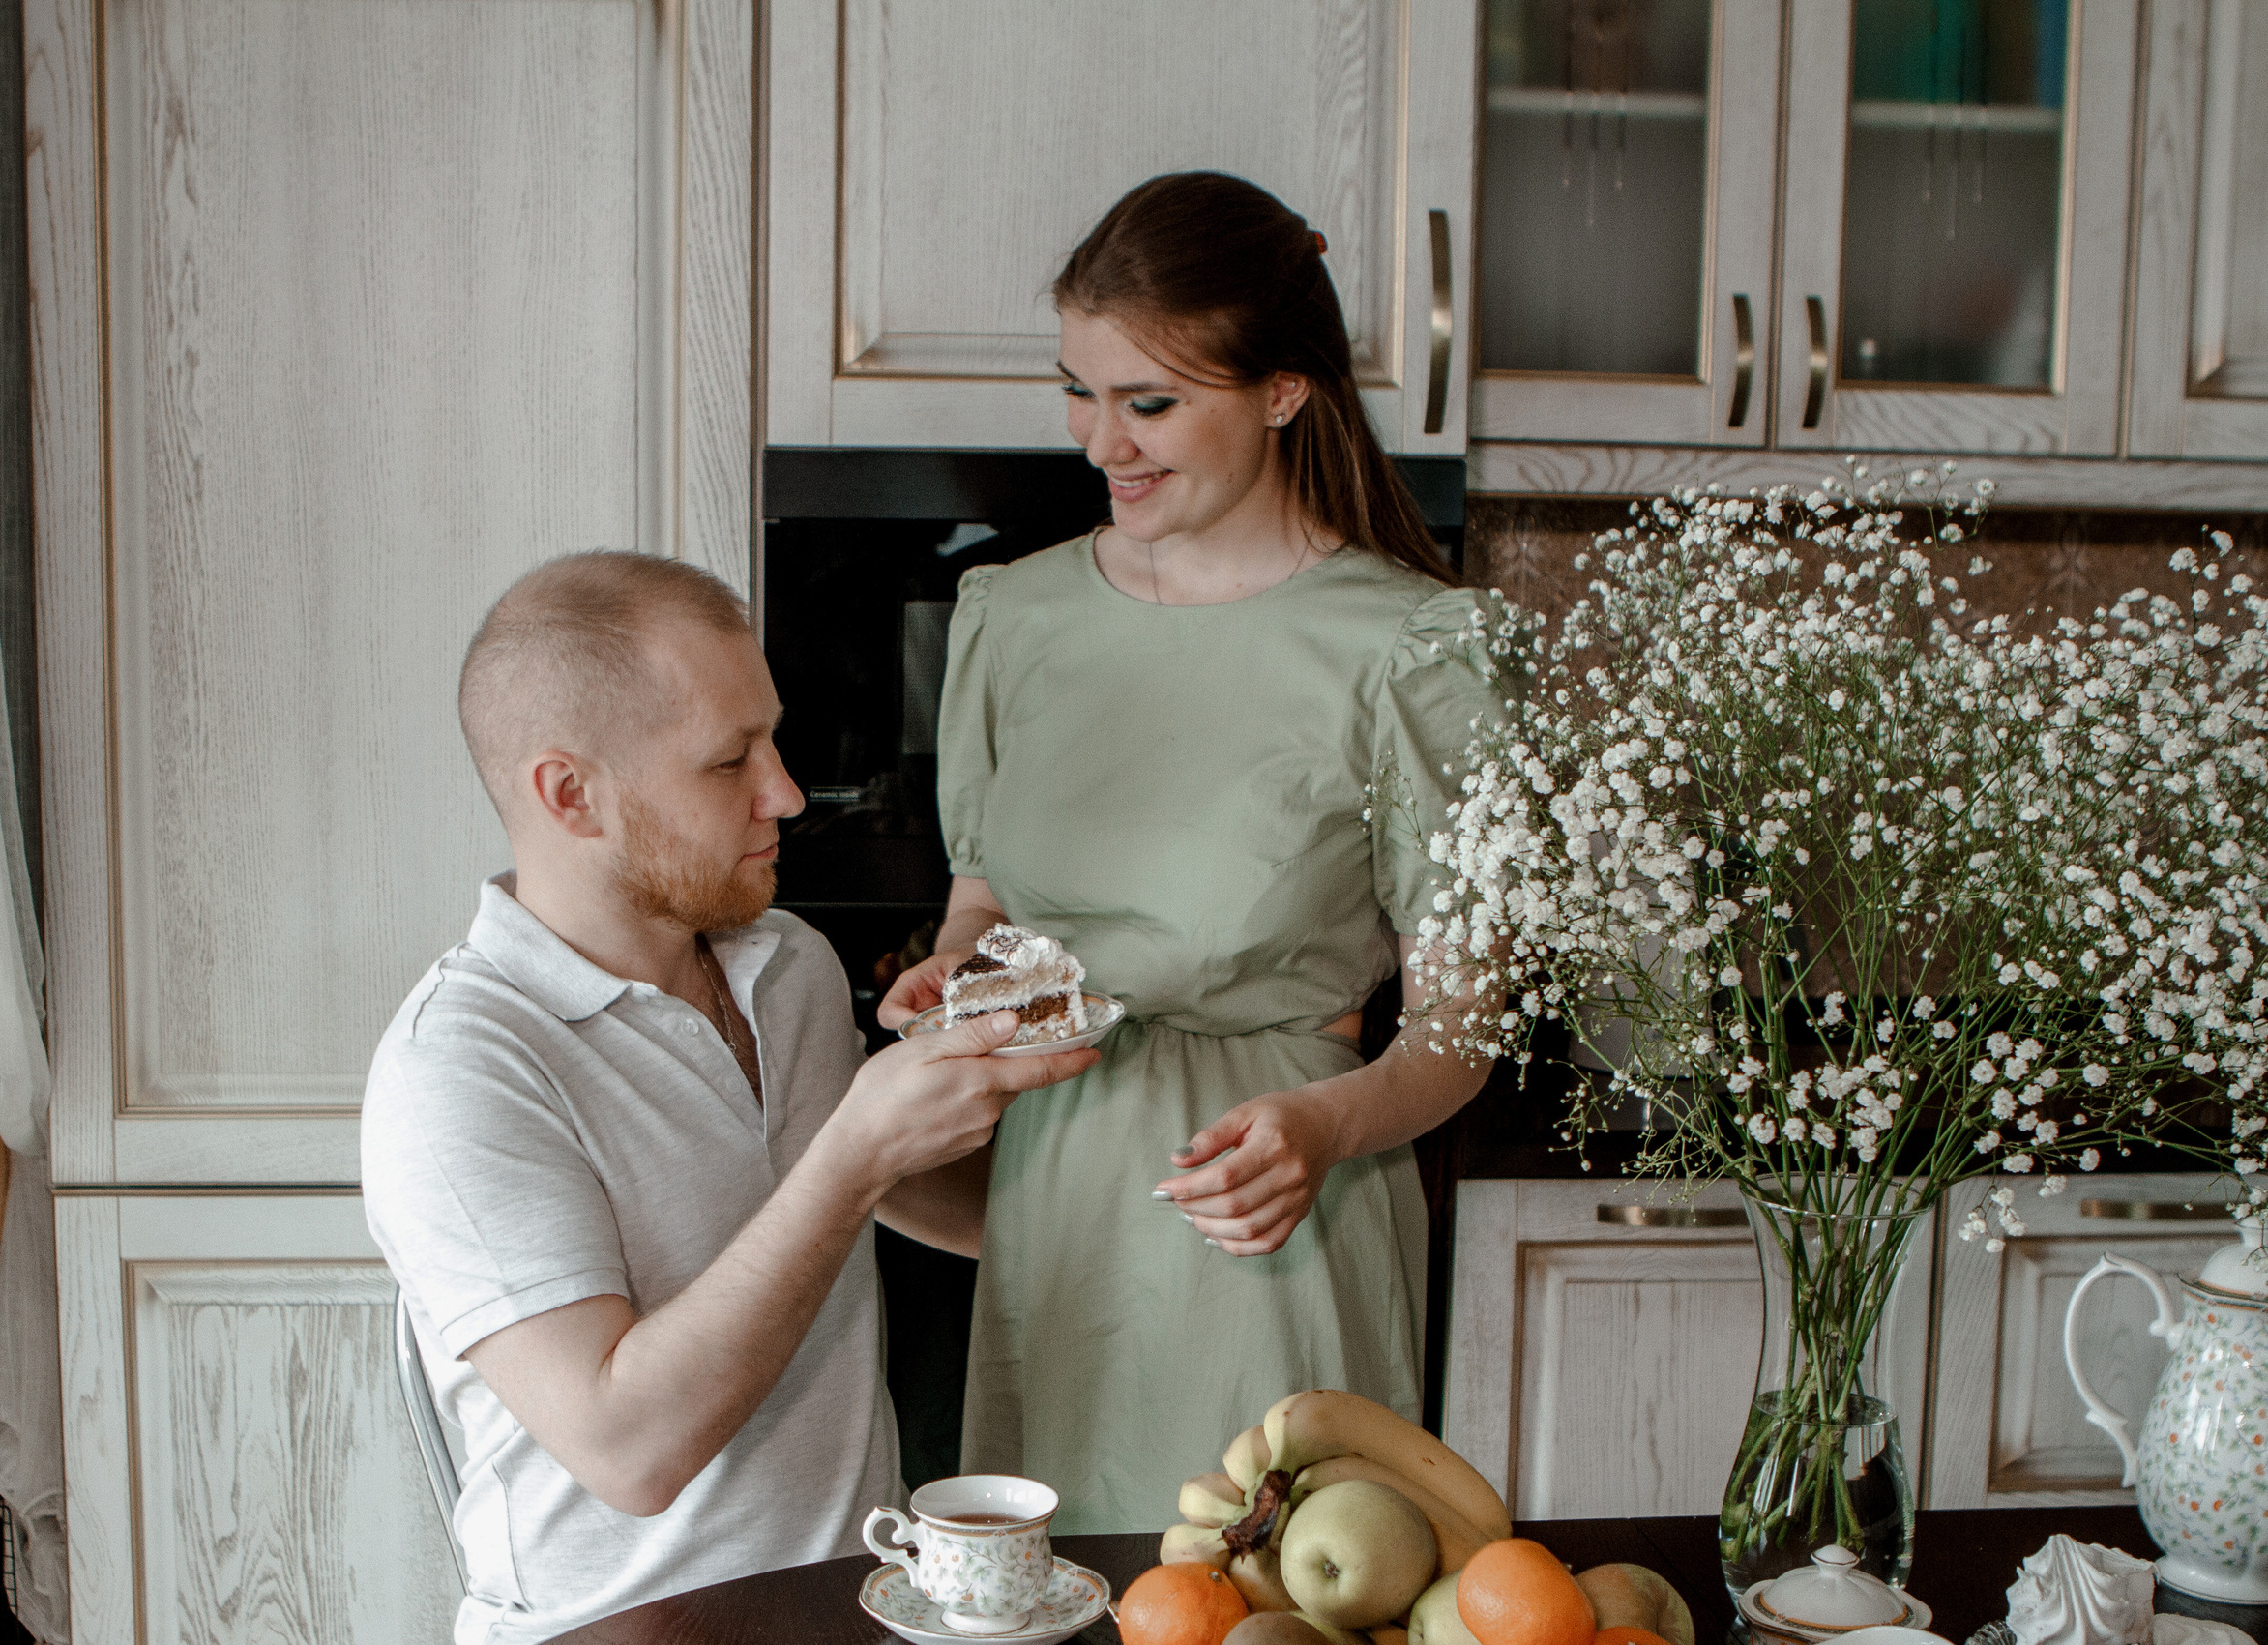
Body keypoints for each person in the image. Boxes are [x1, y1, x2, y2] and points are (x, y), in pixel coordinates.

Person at [878, 171, 1511, 1534]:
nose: (1103, 443)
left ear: (1283, 392)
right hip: (1049, 1215)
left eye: (1150, 404)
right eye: (1078, 392)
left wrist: (1319, 1126)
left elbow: (1463, 1029)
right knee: (1049, 1599)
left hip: (1271, 1209)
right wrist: (955, 981)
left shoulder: (1413, 647)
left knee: (1269, 1594)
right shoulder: (1014, 616)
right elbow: (983, 903)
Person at [362, 552, 1098, 1645]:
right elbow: (630, 1451)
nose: (787, 793)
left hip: (859, 1614)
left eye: (772, 736)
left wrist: (1093, 1133)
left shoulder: (787, 966)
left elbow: (898, 1204)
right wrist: (859, 1148)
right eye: (727, 762)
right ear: (571, 794)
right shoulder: (461, 1071)